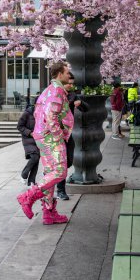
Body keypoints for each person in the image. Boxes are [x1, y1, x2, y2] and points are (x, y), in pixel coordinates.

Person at [17, 62, 74, 225]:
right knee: (60, 172)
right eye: (67, 73)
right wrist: (58, 135)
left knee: (51, 173)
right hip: (51, 138)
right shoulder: (57, 90)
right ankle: (28, 197)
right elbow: (50, 115)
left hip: (43, 137)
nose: (69, 76)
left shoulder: (49, 90)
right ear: (59, 74)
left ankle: (49, 212)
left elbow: (38, 112)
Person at [56, 72, 89, 200]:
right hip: (55, 134)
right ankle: (60, 190)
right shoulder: (56, 94)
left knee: (68, 161)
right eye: (68, 83)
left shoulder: (72, 95)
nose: (70, 86)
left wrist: (80, 103)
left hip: (68, 135)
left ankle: (55, 181)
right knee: (61, 163)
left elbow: (86, 109)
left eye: (72, 84)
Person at [17, 99, 40, 186]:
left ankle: (31, 182)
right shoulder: (27, 113)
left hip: (38, 140)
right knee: (34, 157)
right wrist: (30, 133)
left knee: (36, 159)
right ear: (35, 104)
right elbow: (19, 126)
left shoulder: (42, 114)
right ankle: (24, 174)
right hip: (28, 140)